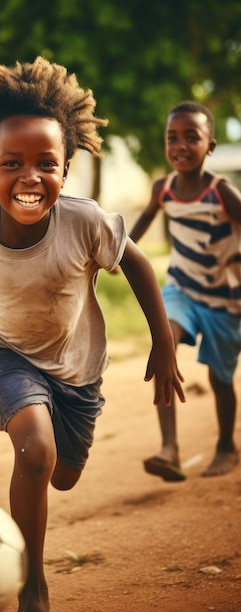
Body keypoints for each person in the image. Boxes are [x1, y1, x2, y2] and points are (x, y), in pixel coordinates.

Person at [0, 57, 185, 612]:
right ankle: (33, 590)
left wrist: (164, 344)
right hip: (4, 351)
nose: (30, 177)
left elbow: (141, 265)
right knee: (35, 450)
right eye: (12, 164)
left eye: (46, 163)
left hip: (78, 368)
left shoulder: (86, 222)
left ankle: (52, 459)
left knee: (64, 471)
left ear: (66, 169)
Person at [129, 100, 241, 482]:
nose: (180, 145)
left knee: (220, 379)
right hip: (181, 290)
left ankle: (226, 445)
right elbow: (138, 229)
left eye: (191, 137)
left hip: (226, 301)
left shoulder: (222, 192)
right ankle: (169, 448)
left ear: (209, 146)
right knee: (164, 346)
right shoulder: (164, 189)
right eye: (172, 137)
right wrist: (109, 256)